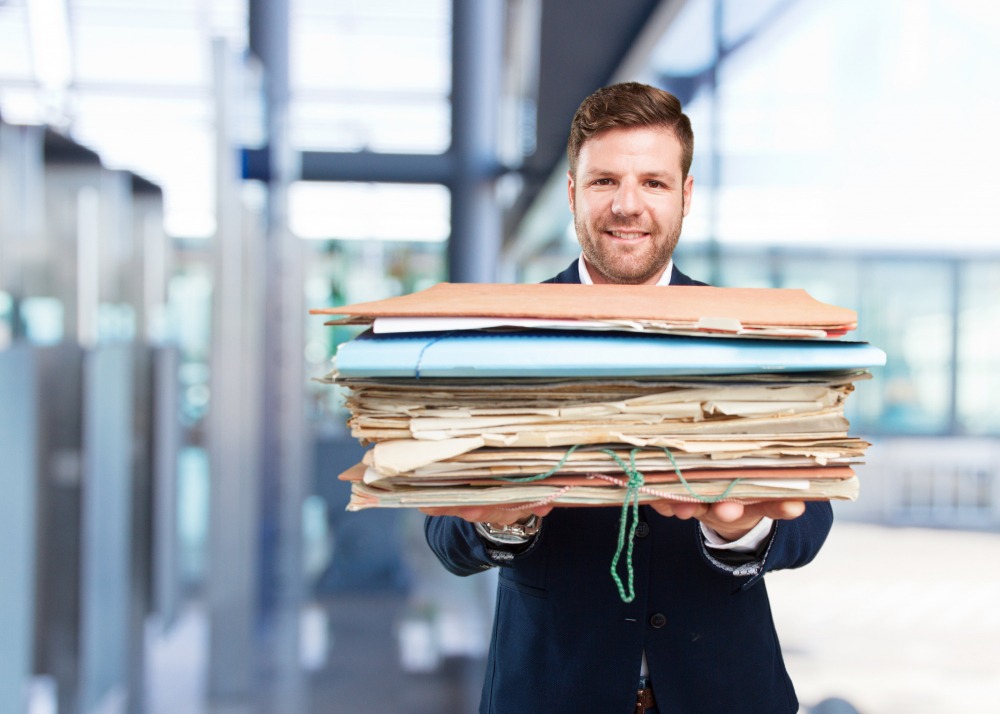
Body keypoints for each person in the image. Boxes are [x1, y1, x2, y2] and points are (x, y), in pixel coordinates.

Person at [422, 82, 832, 714]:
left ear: (685, 196)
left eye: (654, 182)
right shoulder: (500, 335)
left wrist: (741, 527)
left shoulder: (748, 336)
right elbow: (443, 530)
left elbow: (812, 515)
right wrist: (502, 519)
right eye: (605, 180)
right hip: (552, 692)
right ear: (572, 192)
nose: (627, 205)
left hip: (725, 691)